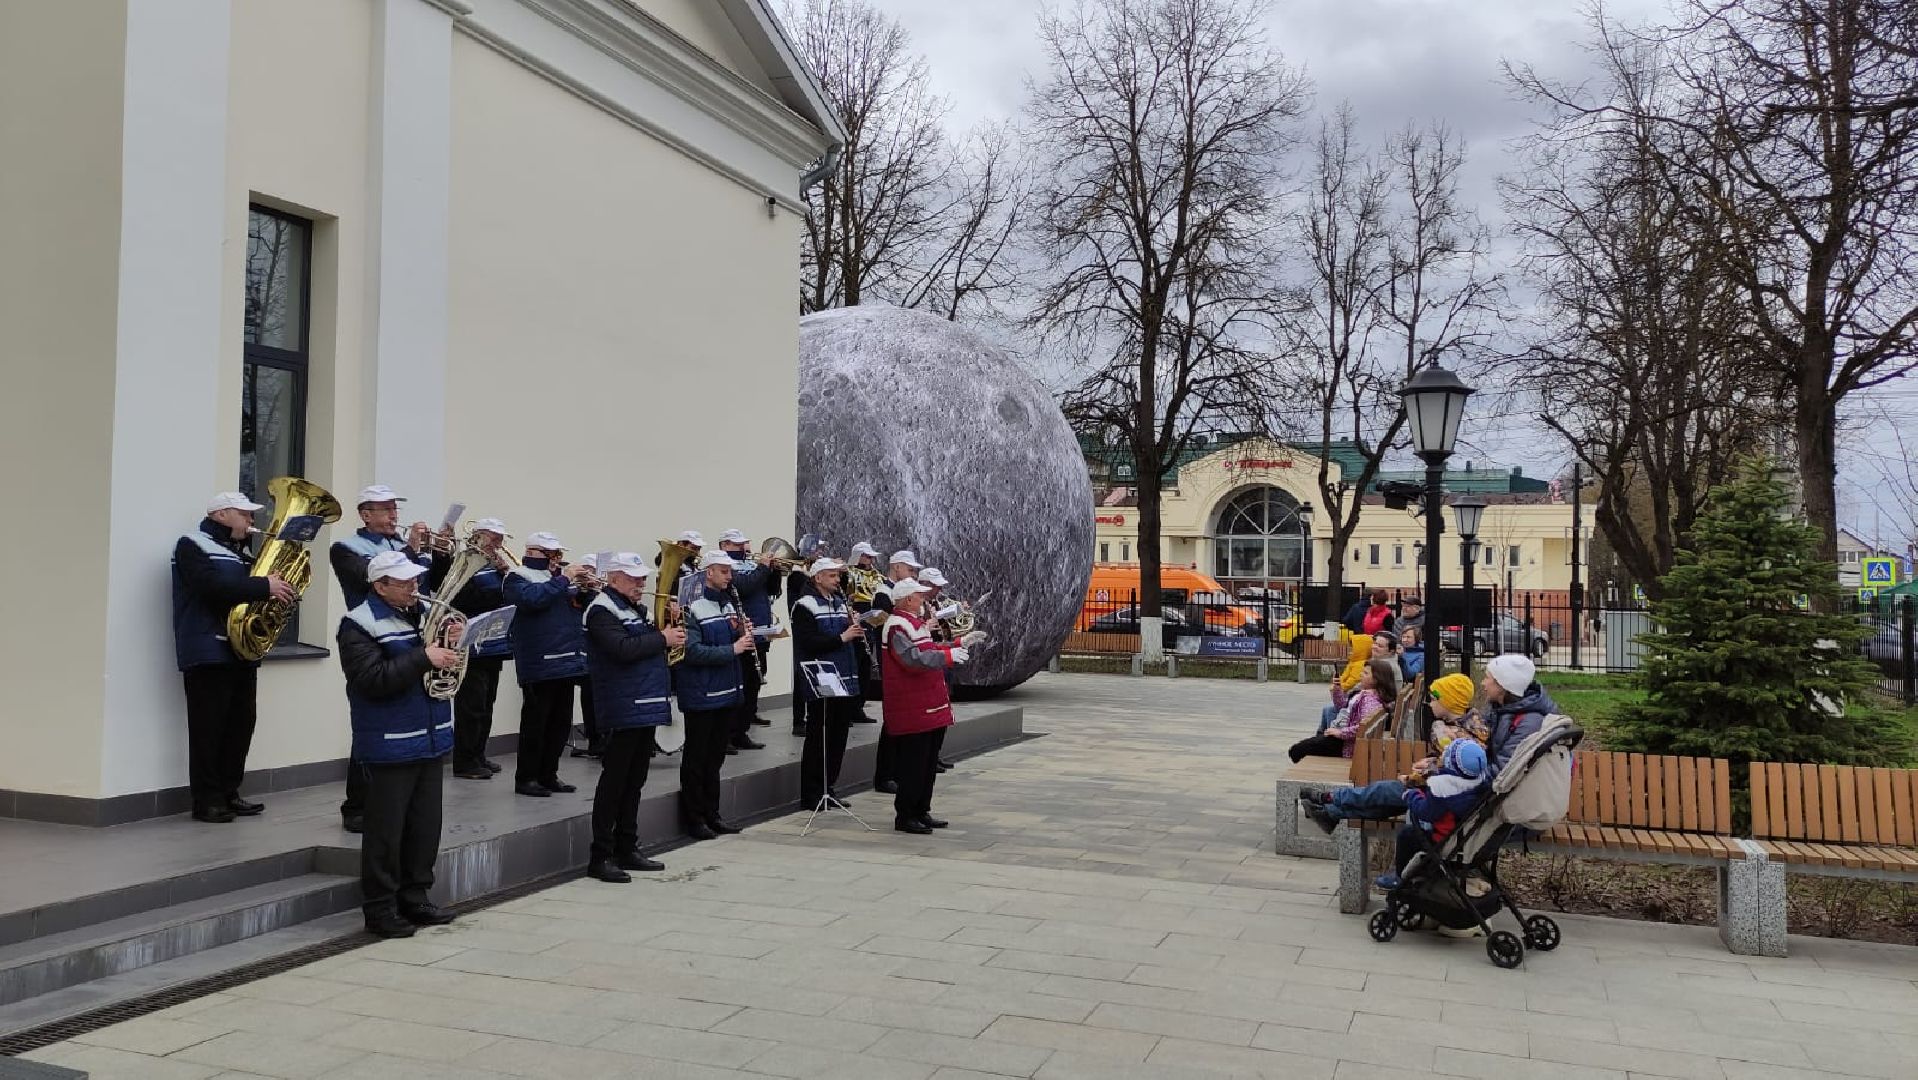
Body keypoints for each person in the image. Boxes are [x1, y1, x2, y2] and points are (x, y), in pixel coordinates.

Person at [337, 551, 460, 938]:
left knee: (425, 827)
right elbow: (373, 679)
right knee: (385, 833)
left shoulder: (420, 616)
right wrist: (425, 656)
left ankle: (415, 896)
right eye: (405, 582)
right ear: (380, 586)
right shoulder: (358, 624)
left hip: (429, 737)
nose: (415, 588)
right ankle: (379, 908)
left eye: (415, 581)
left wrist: (453, 643)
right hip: (389, 742)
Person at [172, 491, 296, 823]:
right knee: (208, 729)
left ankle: (229, 793)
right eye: (246, 515)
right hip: (207, 650)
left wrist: (278, 594)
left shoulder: (239, 553)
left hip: (241, 652)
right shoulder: (192, 545)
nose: (252, 522)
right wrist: (262, 587)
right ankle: (207, 801)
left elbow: (253, 595)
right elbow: (210, 588)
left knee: (240, 726)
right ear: (222, 514)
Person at [328, 484, 433, 834]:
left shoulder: (396, 546)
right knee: (370, 729)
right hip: (371, 637)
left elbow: (423, 584)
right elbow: (368, 577)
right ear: (365, 514)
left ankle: (394, 802)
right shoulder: (345, 548)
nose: (393, 515)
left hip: (408, 631)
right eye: (385, 509)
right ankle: (356, 805)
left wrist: (429, 553)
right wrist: (411, 549)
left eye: (394, 508)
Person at [581, 553, 683, 882]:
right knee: (615, 781)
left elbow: (645, 646)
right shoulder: (601, 610)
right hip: (622, 705)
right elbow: (621, 649)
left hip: (643, 702)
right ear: (613, 579)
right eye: (633, 578)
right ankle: (601, 855)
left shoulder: (631, 608)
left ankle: (627, 846)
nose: (641, 584)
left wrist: (667, 626)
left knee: (634, 780)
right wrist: (661, 638)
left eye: (642, 578)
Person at [1298, 672, 1486, 834]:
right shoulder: (1463, 729)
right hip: (1436, 792)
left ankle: (1329, 799)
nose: (1430, 703)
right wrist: (1428, 764)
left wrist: (1413, 778)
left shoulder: (1457, 735)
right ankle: (1331, 813)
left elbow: (1451, 772)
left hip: (1438, 796)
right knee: (1385, 801)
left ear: (1449, 701)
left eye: (1435, 698)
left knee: (1382, 791)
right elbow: (1445, 764)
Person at [879, 579, 977, 833]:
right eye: (919, 596)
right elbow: (912, 660)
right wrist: (947, 656)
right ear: (907, 599)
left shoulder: (914, 623)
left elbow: (929, 648)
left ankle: (921, 810)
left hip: (928, 703)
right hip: (913, 705)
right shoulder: (897, 626)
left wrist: (957, 645)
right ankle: (906, 815)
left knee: (927, 762)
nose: (923, 600)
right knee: (914, 764)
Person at [503, 532, 591, 798]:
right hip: (539, 662)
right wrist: (564, 579)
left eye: (558, 554)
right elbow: (533, 599)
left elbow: (573, 608)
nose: (557, 559)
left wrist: (585, 590)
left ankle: (548, 774)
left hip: (565, 660)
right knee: (536, 724)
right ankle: (526, 778)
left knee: (560, 723)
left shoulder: (556, 578)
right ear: (532, 551)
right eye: (552, 554)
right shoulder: (517, 576)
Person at [676, 550, 754, 839]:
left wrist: (744, 635)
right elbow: (692, 651)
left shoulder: (729, 603)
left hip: (726, 690)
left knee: (715, 758)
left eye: (730, 572)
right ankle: (694, 819)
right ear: (709, 572)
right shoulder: (691, 607)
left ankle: (713, 813)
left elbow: (730, 641)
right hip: (702, 693)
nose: (729, 576)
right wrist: (733, 649)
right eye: (724, 571)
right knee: (697, 758)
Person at [436, 517, 513, 780]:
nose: (498, 545)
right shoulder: (465, 562)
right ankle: (465, 760)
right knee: (472, 705)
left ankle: (479, 754)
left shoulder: (495, 565)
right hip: (472, 644)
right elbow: (461, 598)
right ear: (479, 536)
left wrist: (506, 575)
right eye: (494, 539)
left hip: (494, 643)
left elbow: (511, 595)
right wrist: (498, 593)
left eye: (500, 540)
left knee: (487, 703)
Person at [791, 557, 863, 808]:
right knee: (818, 736)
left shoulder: (840, 601)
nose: (837, 580)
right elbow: (809, 642)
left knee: (838, 735)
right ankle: (811, 793)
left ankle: (828, 787)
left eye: (837, 576)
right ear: (818, 577)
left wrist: (854, 627)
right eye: (831, 576)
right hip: (822, 678)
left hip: (844, 675)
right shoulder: (804, 605)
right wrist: (843, 637)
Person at [1374, 739, 1490, 891]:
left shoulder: (1444, 790)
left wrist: (1411, 794)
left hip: (1442, 841)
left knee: (1407, 835)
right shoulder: (1479, 784)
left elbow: (1425, 812)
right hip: (1466, 840)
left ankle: (1400, 876)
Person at [866, 549, 924, 793]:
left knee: (904, 718)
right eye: (909, 570)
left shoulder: (902, 591)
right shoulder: (884, 592)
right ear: (897, 567)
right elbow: (886, 628)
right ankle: (885, 774)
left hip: (904, 658)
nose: (912, 574)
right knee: (893, 719)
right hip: (893, 659)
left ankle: (899, 770)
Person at [719, 529, 777, 749]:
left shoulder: (752, 564)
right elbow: (744, 587)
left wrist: (772, 572)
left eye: (743, 543)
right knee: (739, 685)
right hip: (740, 633)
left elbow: (771, 590)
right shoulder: (727, 566)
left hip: (760, 630)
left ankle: (741, 731)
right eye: (737, 544)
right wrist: (763, 567)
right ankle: (728, 735)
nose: (743, 548)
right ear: (724, 545)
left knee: (754, 683)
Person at [1290, 659, 1397, 762]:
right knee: (1302, 748)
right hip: (1341, 738)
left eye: (1365, 673)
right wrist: (1337, 689)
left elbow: (1364, 727)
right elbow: (1342, 706)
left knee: (1296, 751)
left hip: (1344, 745)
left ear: (1377, 679)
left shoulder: (1370, 701)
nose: (1361, 675)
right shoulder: (1366, 693)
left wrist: (1340, 732)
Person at [1480, 653, 1556, 778]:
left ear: (1502, 685)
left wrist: (1464, 780)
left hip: (1508, 792)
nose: (1483, 683)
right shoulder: (1497, 709)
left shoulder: (1529, 722)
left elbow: (1504, 770)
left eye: (1487, 678)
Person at [918, 566, 960, 774]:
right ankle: (929, 758)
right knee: (933, 711)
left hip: (942, 654)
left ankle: (936, 754)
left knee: (944, 708)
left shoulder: (935, 603)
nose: (938, 591)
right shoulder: (920, 605)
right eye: (935, 587)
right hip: (932, 656)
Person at [1318, 631, 1397, 734]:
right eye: (1375, 643)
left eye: (1380, 646)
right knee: (1329, 710)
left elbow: (1355, 692)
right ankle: (1322, 739)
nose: (1374, 647)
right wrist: (1338, 688)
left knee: (1330, 710)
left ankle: (1325, 740)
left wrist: (1346, 692)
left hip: (1355, 723)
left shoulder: (1383, 669)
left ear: (1390, 651)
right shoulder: (1376, 664)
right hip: (1359, 714)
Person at [845, 541, 884, 723]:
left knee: (866, 667)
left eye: (871, 556)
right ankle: (847, 708)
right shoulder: (848, 572)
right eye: (867, 556)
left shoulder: (878, 575)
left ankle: (858, 707)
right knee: (853, 665)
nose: (871, 559)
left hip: (873, 620)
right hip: (854, 620)